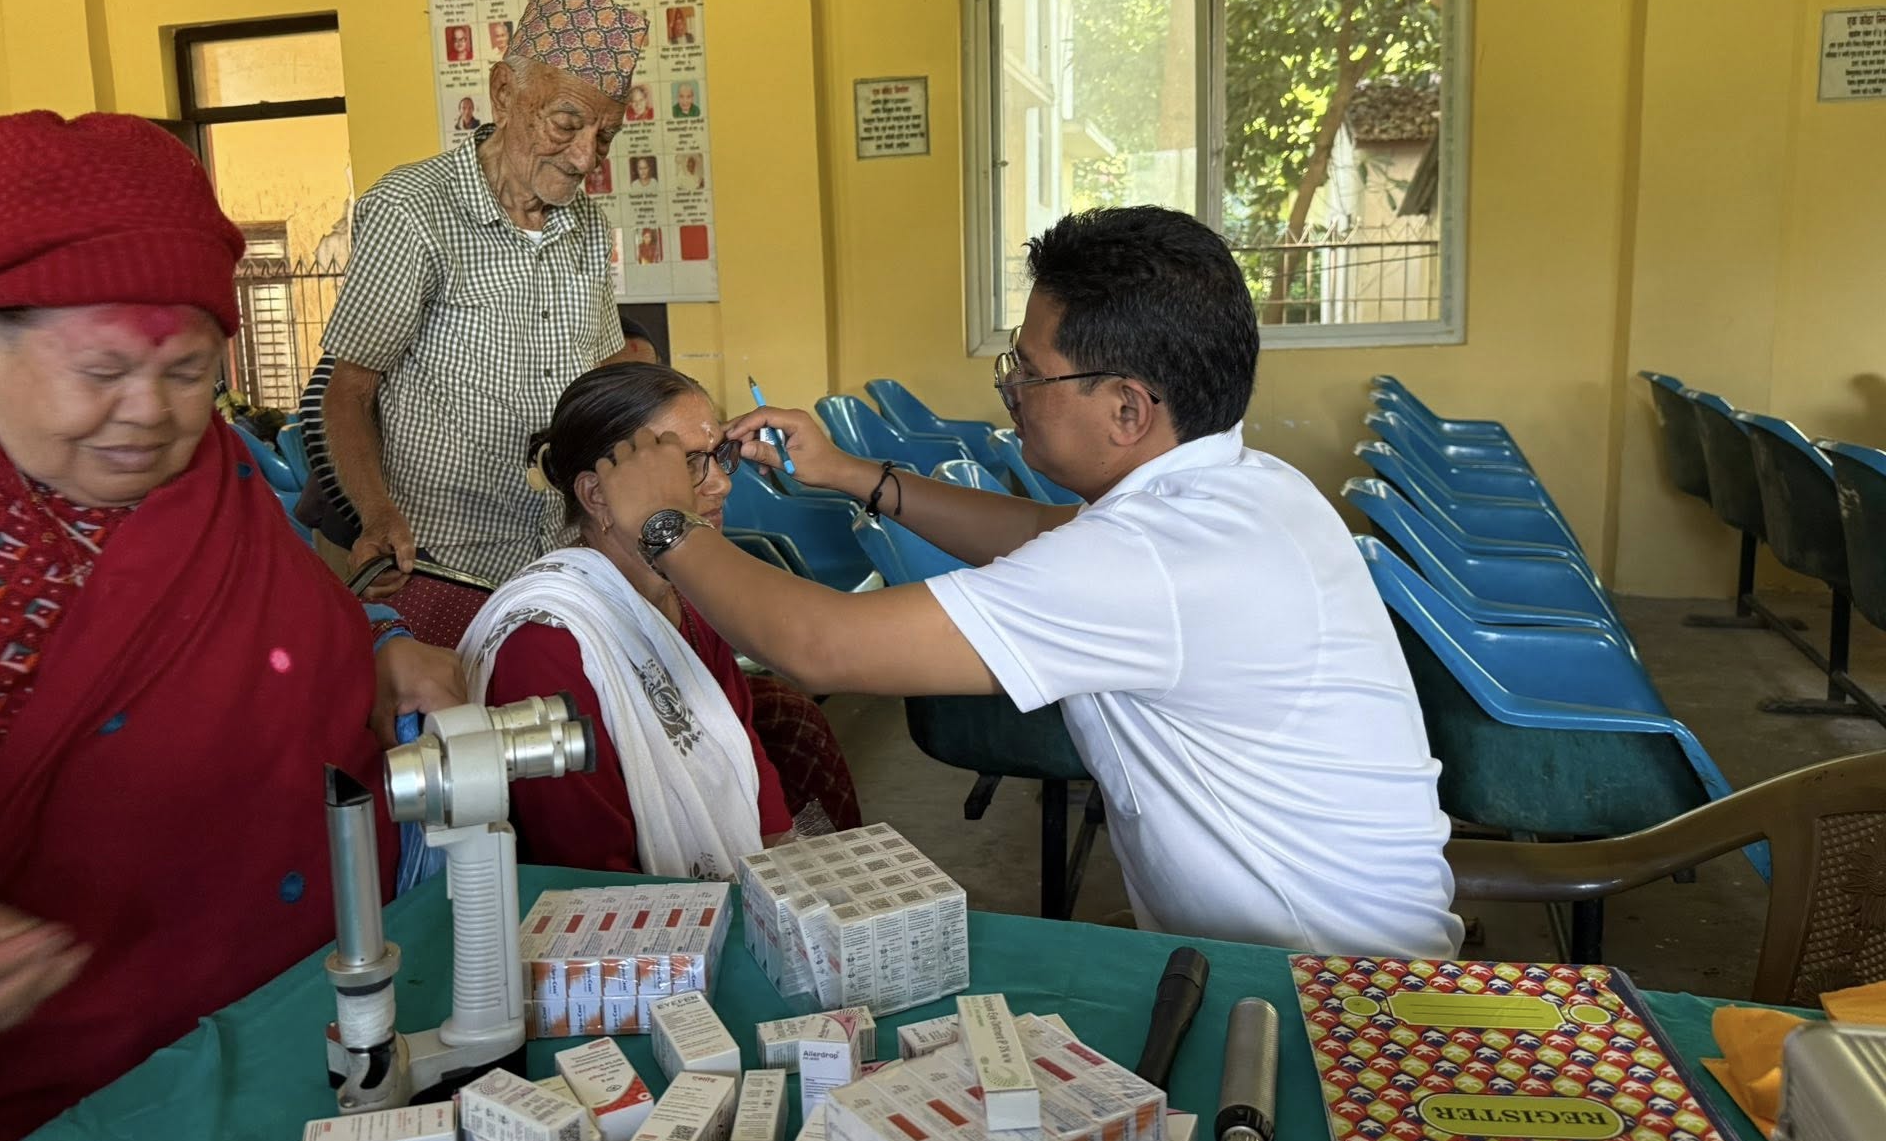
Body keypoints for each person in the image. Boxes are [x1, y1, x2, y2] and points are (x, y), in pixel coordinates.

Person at [0, 111, 465, 1141]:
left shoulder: (208, 468)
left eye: (187, 371)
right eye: (103, 369)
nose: (150, 412)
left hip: (285, 1020)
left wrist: (380, 647)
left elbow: (303, 611)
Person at [588, 206, 1464, 958]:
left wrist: (661, 519)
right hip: (1336, 947)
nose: (1010, 390)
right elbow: (1048, 537)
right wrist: (851, 473)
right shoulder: (1247, 489)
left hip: (1329, 992)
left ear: (1128, 408)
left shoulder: (1151, 561)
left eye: (1030, 373)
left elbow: (818, 646)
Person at [322, 0, 650, 590]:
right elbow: (349, 392)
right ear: (504, 93)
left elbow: (605, 376)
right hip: (444, 559)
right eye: (566, 124)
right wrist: (377, 513)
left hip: (563, 552)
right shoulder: (412, 210)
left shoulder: (586, 224)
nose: (585, 159)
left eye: (604, 136)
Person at [460, 365, 795, 876]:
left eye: (719, 456)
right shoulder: (543, 648)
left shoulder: (690, 596)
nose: (722, 483)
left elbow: (741, 746)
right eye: (685, 465)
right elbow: (587, 869)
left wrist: (785, 875)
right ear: (597, 496)